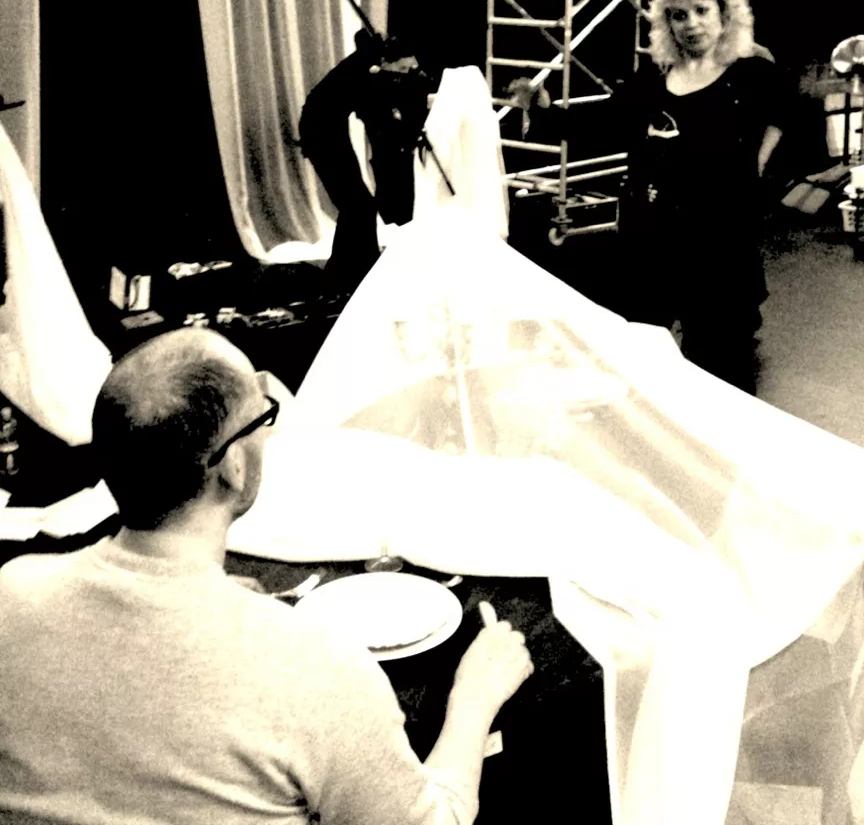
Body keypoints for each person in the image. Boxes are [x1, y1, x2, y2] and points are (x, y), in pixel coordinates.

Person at [0, 328, 533, 824]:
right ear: (233, 465)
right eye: (265, 417)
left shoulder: (11, 593)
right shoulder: (316, 665)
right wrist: (474, 702)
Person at [617, 0, 787, 393]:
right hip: (655, 240)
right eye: (679, 15)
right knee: (645, 369)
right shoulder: (655, 78)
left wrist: (758, 161)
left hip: (721, 247)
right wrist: (542, 110)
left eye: (701, 11)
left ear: (724, 14)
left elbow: (791, 113)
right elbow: (607, 120)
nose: (691, 24)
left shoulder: (751, 73)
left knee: (719, 374)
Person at [299, 33, 432, 296]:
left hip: (332, 129)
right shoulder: (365, 72)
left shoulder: (372, 66)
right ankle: (351, 274)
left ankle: (350, 272)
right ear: (386, 61)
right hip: (319, 132)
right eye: (402, 69)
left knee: (359, 205)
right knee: (358, 205)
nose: (403, 75)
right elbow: (375, 117)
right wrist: (403, 130)